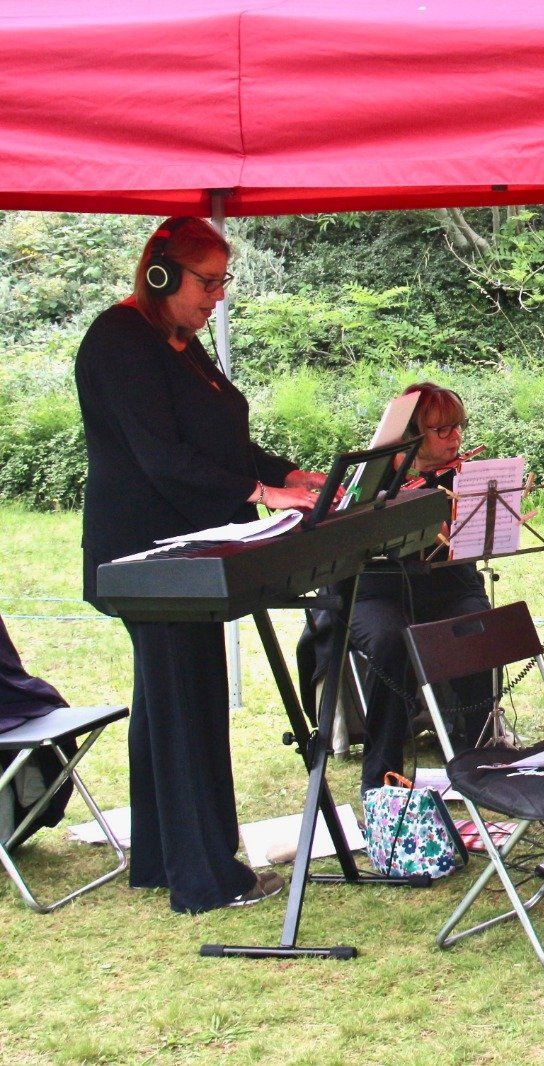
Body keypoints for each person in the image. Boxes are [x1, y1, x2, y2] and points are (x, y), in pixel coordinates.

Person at [76, 216, 327, 912]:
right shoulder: (119, 341)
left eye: (223, 282)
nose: (216, 296)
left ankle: (163, 858)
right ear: (161, 275)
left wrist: (293, 475)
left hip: (190, 554)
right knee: (186, 704)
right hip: (147, 559)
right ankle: (205, 878)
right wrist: (259, 493)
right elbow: (163, 456)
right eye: (206, 282)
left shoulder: (178, 343)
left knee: (172, 702)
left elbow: (222, 440)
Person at [346, 382, 494, 795]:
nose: (456, 438)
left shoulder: (461, 475)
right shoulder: (374, 477)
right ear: (411, 435)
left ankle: (478, 755)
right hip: (377, 589)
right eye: (442, 430)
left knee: (478, 626)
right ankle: (382, 776)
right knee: (389, 641)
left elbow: (473, 538)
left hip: (447, 583)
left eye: (458, 427)